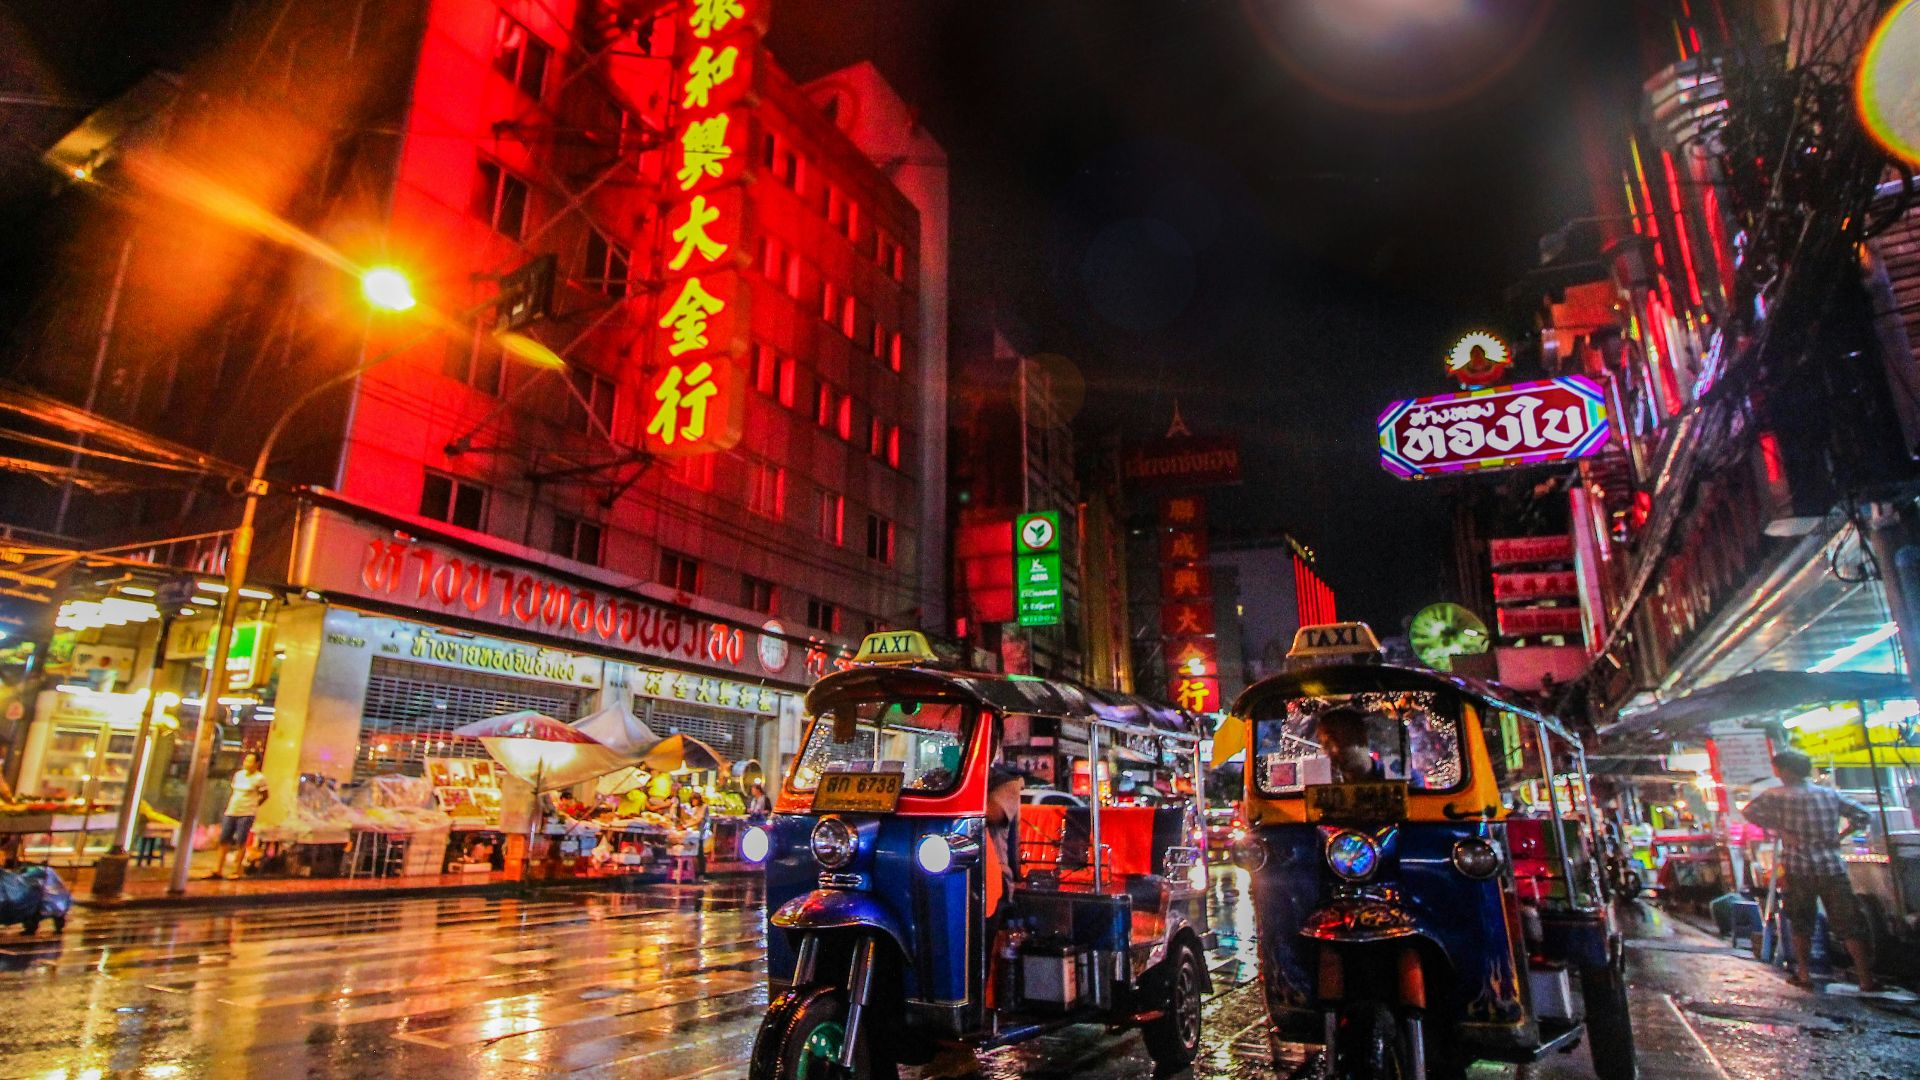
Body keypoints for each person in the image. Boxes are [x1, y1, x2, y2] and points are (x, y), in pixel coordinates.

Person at [1741, 749, 1877, 991]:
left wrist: (1779, 830)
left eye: (1779, 769)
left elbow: (1749, 812)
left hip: (1798, 866)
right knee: (1848, 922)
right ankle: (1865, 979)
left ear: (1787, 771)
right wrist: (1840, 835)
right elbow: (1863, 814)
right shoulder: (1828, 794)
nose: (1778, 774)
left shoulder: (1777, 796)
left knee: (1801, 921)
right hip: (1831, 866)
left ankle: (1804, 974)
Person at [211, 752, 268, 880]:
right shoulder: (239, 775)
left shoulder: (259, 778)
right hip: (232, 810)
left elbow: (265, 795)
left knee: (241, 841)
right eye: (246, 760)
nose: (247, 763)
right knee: (224, 840)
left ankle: (237, 870)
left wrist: (254, 806)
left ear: (257, 763)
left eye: (250, 761)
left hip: (246, 813)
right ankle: (218, 869)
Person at [1314, 706, 1387, 783]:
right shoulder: (1327, 786)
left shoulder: (1395, 775)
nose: (1325, 750)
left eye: (1333, 738)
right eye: (1322, 742)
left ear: (1361, 736)